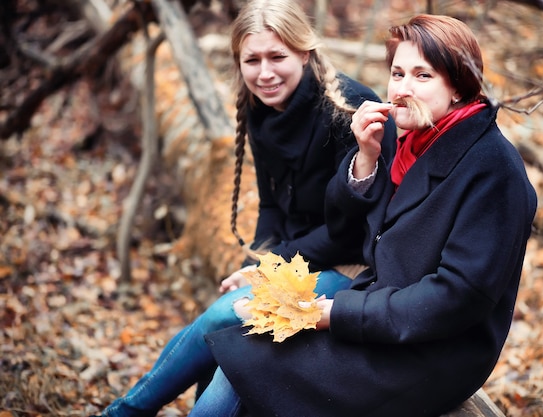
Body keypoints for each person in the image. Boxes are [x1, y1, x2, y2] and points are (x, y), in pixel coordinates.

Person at [195, 13, 538, 417]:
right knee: (237, 350)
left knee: (245, 367)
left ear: (460, 87)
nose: (402, 89)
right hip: (378, 311)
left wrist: (337, 312)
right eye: (397, 73)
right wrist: (365, 157)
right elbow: (349, 231)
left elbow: (456, 299)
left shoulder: (494, 170)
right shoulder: (411, 143)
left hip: (434, 353)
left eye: (422, 76)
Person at [91, 1, 396, 416]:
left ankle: (124, 411)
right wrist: (256, 259)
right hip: (296, 261)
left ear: (304, 53)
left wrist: (271, 264)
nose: (265, 73)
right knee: (226, 344)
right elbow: (270, 205)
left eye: (277, 57)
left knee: (224, 317)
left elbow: (348, 231)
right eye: (252, 60)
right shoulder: (259, 108)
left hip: (353, 272)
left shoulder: (349, 110)